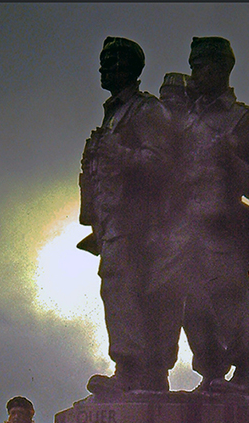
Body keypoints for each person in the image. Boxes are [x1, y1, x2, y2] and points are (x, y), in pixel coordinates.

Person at [171, 37, 249, 396]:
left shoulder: (245, 120)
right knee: (192, 307)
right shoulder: (181, 120)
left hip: (223, 229)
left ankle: (246, 375)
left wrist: (231, 159)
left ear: (222, 68)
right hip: (183, 230)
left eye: (202, 65)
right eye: (193, 64)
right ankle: (212, 374)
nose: (195, 72)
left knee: (233, 299)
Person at [79, 36, 173, 395]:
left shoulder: (145, 111)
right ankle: (133, 368)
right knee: (119, 290)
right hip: (111, 223)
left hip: (138, 222)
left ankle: (134, 369)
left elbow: (162, 163)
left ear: (132, 67)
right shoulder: (115, 113)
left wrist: (119, 154)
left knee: (129, 291)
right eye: (103, 60)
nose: (104, 66)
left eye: (113, 59)